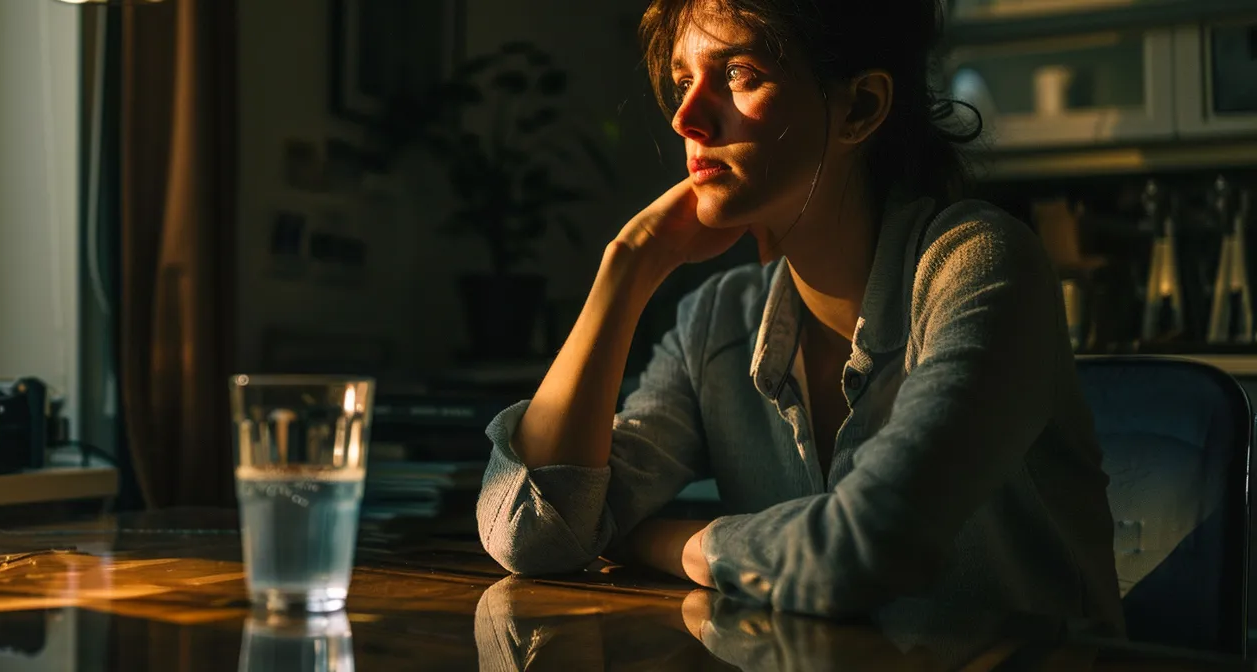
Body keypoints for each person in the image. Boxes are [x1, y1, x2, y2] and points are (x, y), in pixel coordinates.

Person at [474, 0, 1123, 632]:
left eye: (739, 75)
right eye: (681, 82)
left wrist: (662, 541)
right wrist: (628, 268)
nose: (688, 119)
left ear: (860, 107)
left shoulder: (978, 264)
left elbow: (860, 550)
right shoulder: (718, 321)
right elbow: (535, 533)